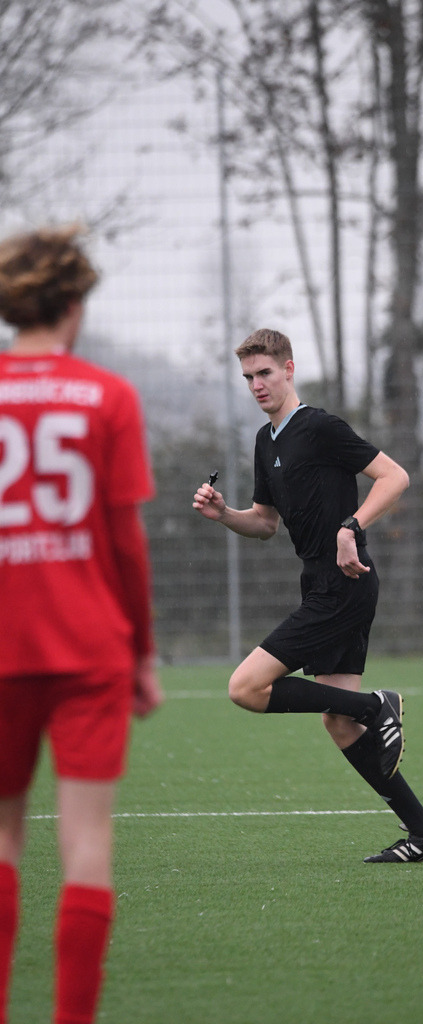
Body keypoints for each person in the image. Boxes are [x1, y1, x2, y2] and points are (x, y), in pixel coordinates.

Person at [193, 328, 423, 864]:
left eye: (265, 373)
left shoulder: (320, 427)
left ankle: (376, 705)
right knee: (339, 722)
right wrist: (225, 514)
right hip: (319, 582)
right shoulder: (266, 441)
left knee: (245, 687)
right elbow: (264, 524)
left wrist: (351, 525)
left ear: (289, 369)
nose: (257, 384)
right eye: (248, 377)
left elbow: (394, 477)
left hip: (345, 583)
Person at [0, 225, 163, 1024]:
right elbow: (125, 542)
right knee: (86, 843)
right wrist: (143, 654)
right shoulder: (108, 396)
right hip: (89, 646)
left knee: (3, 840)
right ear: (72, 302)